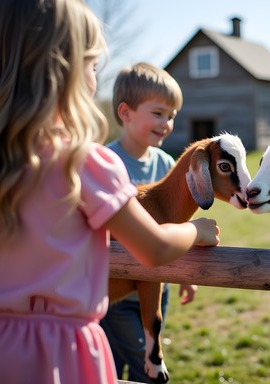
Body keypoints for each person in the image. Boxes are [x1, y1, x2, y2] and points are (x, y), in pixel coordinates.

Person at [0, 1, 219, 383]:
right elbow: (153, 249)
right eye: (93, 66)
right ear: (64, 70)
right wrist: (196, 231)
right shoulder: (82, 163)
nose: (94, 78)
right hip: (59, 353)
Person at [100, 62, 197, 382]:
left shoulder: (168, 165)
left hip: (157, 288)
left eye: (172, 116)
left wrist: (183, 273)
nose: (167, 123)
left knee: (126, 360)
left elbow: (173, 223)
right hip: (116, 292)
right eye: (158, 113)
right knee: (144, 366)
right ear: (125, 112)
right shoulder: (106, 164)